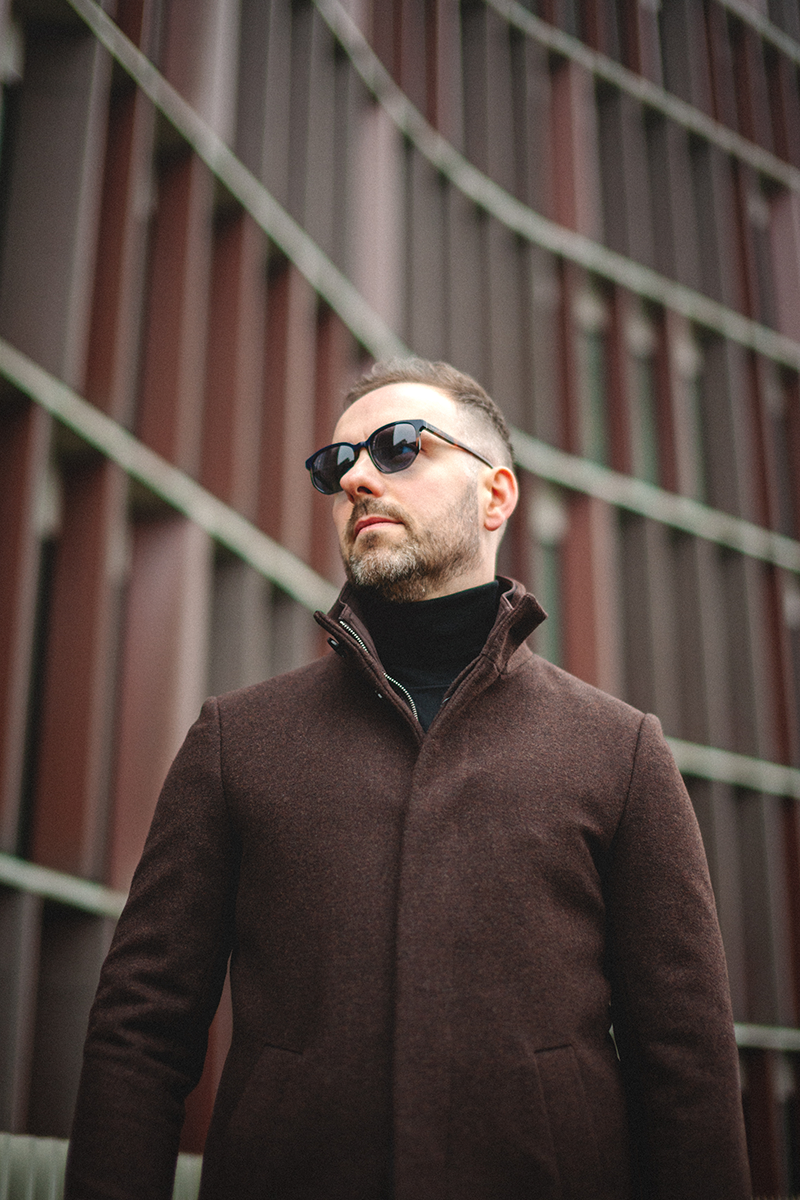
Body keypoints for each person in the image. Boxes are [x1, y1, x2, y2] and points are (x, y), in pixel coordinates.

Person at [65, 358, 752, 1200]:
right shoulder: (235, 741)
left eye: (397, 448)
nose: (354, 476)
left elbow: (685, 1064)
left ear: (495, 494)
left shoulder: (620, 751)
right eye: (336, 462)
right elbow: (141, 1033)